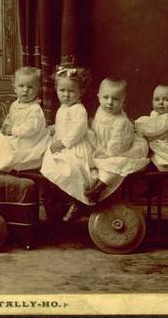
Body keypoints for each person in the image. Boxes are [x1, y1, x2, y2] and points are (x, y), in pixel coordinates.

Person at [40, 65, 95, 222]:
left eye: (71, 91)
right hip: (61, 142)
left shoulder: (79, 109)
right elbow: (62, 125)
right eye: (62, 90)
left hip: (74, 144)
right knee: (51, 165)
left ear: (80, 92)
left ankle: (78, 202)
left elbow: (79, 128)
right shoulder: (63, 108)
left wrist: (64, 142)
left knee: (71, 168)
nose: (66, 95)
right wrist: (51, 129)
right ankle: (60, 202)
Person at [87, 77, 150, 203]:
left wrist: (109, 153)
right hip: (104, 144)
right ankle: (88, 192)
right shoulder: (100, 110)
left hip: (122, 149)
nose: (109, 102)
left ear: (124, 102)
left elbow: (118, 142)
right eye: (105, 98)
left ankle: (100, 187)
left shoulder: (121, 122)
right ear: (99, 97)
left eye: (115, 99)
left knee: (115, 164)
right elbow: (97, 127)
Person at [0, 67, 49, 172]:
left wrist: (13, 130)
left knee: (14, 152)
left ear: (37, 89)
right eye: (21, 86)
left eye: (30, 87)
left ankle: (8, 165)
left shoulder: (35, 109)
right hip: (17, 135)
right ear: (14, 88)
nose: (25, 90)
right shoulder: (15, 104)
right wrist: (6, 125)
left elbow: (31, 129)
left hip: (30, 139)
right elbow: (10, 117)